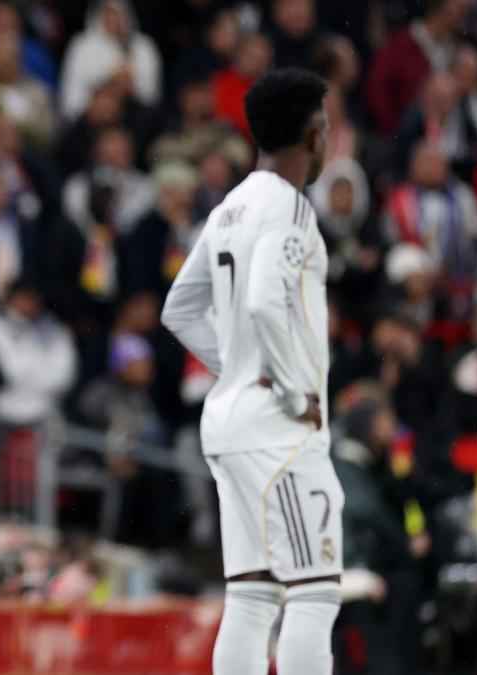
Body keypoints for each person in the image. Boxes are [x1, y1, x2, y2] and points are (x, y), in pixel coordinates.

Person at [161, 68, 341, 674]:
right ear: (313, 134)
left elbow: (179, 308)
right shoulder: (291, 208)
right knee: (314, 591)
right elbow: (264, 299)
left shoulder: (228, 208)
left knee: (252, 595)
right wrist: (291, 391)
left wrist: (235, 367)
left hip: (229, 420)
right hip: (277, 430)